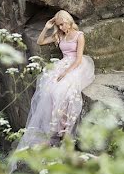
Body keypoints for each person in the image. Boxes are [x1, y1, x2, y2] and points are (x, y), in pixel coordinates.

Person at [12, 10, 95, 157]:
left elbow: (79, 59)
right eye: (59, 25)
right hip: (62, 64)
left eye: (63, 24)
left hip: (76, 66)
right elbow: (40, 42)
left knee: (63, 92)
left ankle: (65, 133)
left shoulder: (79, 35)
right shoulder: (59, 35)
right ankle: (49, 134)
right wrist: (47, 27)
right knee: (47, 91)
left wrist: (66, 72)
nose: (62, 27)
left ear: (68, 21)